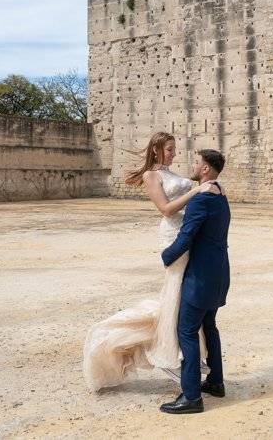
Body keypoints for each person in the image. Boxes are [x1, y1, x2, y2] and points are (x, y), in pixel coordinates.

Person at [82, 132, 219, 390]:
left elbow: (202, 179)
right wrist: (197, 190)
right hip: (173, 236)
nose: (174, 153)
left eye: (174, 149)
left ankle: (186, 355)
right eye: (169, 149)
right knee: (179, 293)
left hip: (188, 235)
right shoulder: (151, 176)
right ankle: (170, 355)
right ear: (156, 149)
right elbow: (166, 209)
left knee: (182, 296)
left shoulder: (172, 174)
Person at [159, 148, 230, 415]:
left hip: (200, 276)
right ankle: (215, 381)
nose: (193, 164)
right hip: (220, 272)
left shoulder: (202, 200)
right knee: (209, 326)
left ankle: (191, 396)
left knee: (186, 330)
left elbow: (186, 237)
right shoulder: (221, 193)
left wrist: (166, 256)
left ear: (205, 170)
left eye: (197, 162)